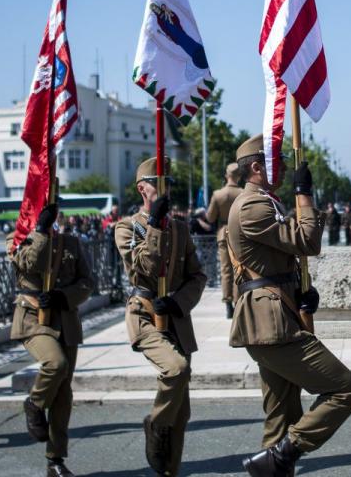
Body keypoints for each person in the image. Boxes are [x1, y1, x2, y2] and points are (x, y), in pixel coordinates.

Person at [227, 134, 351, 476]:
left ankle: (275, 459)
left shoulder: (265, 201)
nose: (286, 165)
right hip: (270, 323)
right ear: (257, 168)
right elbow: (307, 241)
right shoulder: (252, 206)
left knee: (282, 417)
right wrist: (305, 196)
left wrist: (300, 289)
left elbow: (278, 259)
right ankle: (284, 454)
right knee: (345, 389)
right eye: (278, 161)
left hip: (278, 312)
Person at [113, 157, 208, 476]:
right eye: (157, 182)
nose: (165, 188)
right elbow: (147, 268)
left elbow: (197, 276)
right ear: (142, 189)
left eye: (167, 181)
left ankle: (170, 470)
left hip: (176, 319)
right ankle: (155, 423)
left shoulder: (180, 228)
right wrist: (154, 223)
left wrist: (179, 301)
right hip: (144, 315)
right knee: (175, 368)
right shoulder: (127, 227)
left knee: (181, 413)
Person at [11, 202, 93, 477]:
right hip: (34, 317)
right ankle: (34, 404)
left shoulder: (70, 241)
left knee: (63, 394)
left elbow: (87, 282)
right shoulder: (20, 236)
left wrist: (64, 296)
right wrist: (40, 231)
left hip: (65, 320)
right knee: (55, 364)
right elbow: (27, 263)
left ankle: (55, 460)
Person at [206, 162, 244, 318]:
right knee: (238, 269)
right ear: (239, 176)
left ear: (226, 176)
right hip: (239, 233)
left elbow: (210, 217)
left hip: (223, 232)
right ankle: (237, 301)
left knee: (225, 269)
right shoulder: (243, 193)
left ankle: (227, 302)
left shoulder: (218, 194)